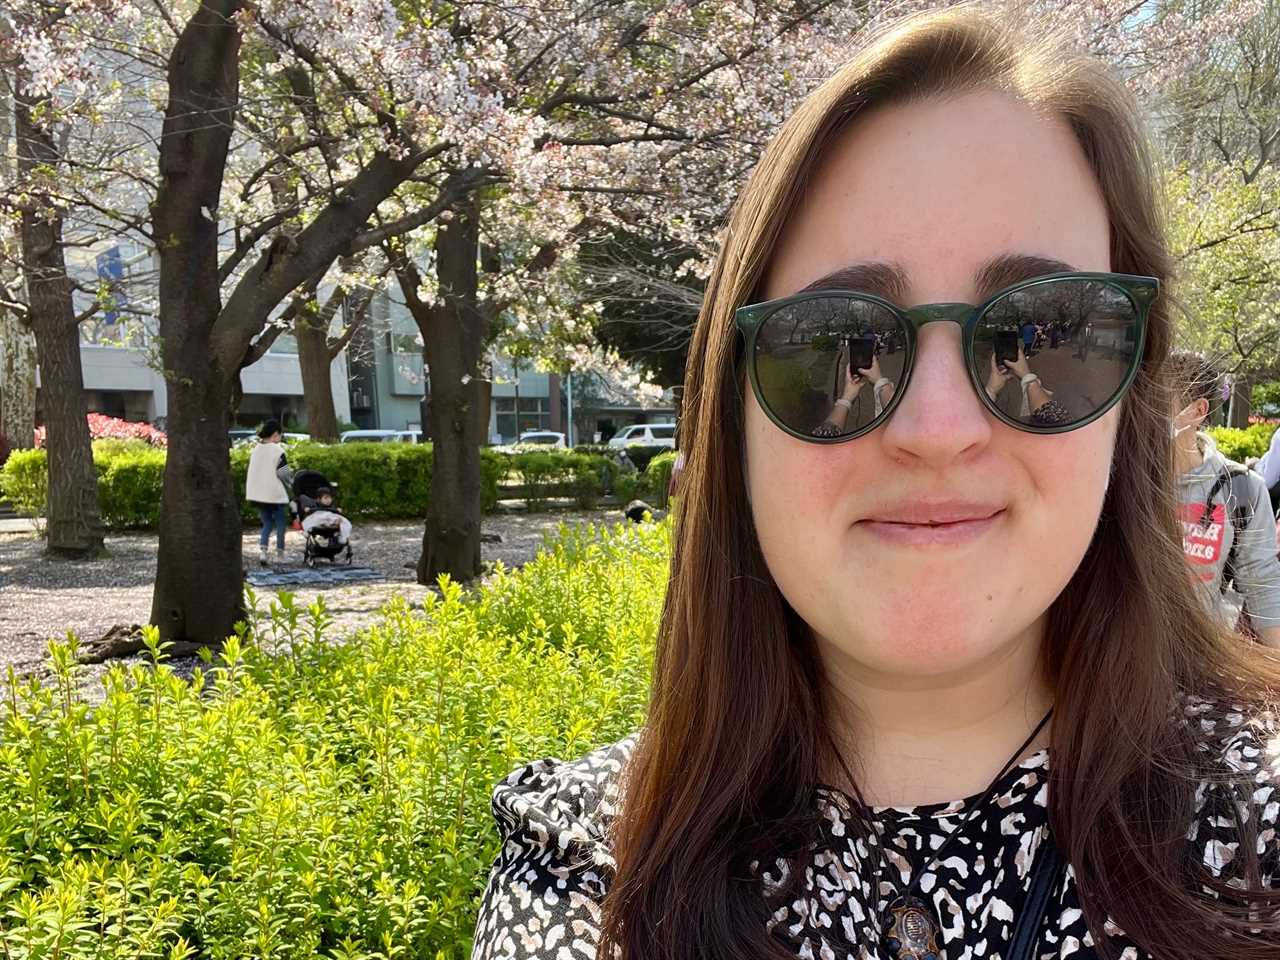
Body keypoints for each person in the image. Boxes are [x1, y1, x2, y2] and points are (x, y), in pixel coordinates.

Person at [471, 9, 1280, 960]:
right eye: (838, 344)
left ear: (1129, 402)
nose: (939, 431)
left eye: (1044, 335)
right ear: (730, 417)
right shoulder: (593, 879)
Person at [1169, 352, 1280, 647]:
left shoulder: (1242, 489)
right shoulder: (1114, 482)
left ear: (1197, 411)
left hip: (1194, 670)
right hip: (1115, 672)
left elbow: (1263, 586)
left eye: (1157, 400)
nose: (1142, 412)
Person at [245, 419, 292, 565]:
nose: (280, 439)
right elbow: (283, 473)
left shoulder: (256, 450)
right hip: (274, 495)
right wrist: (292, 483)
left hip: (258, 495)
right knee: (280, 524)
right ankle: (280, 554)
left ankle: (263, 553)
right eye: (280, 436)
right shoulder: (277, 450)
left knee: (266, 523)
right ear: (275, 434)